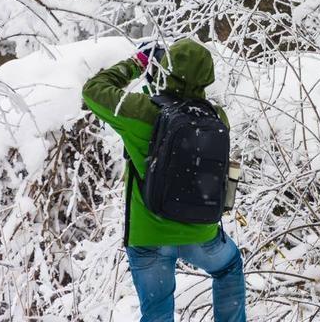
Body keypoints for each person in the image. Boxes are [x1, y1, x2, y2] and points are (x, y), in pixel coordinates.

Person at [82, 38, 246, 322]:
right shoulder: (218, 118)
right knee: (228, 267)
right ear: (208, 78)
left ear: (165, 70)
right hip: (200, 234)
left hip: (149, 236)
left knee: (157, 314)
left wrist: (139, 64)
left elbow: (93, 91)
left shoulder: (141, 111)